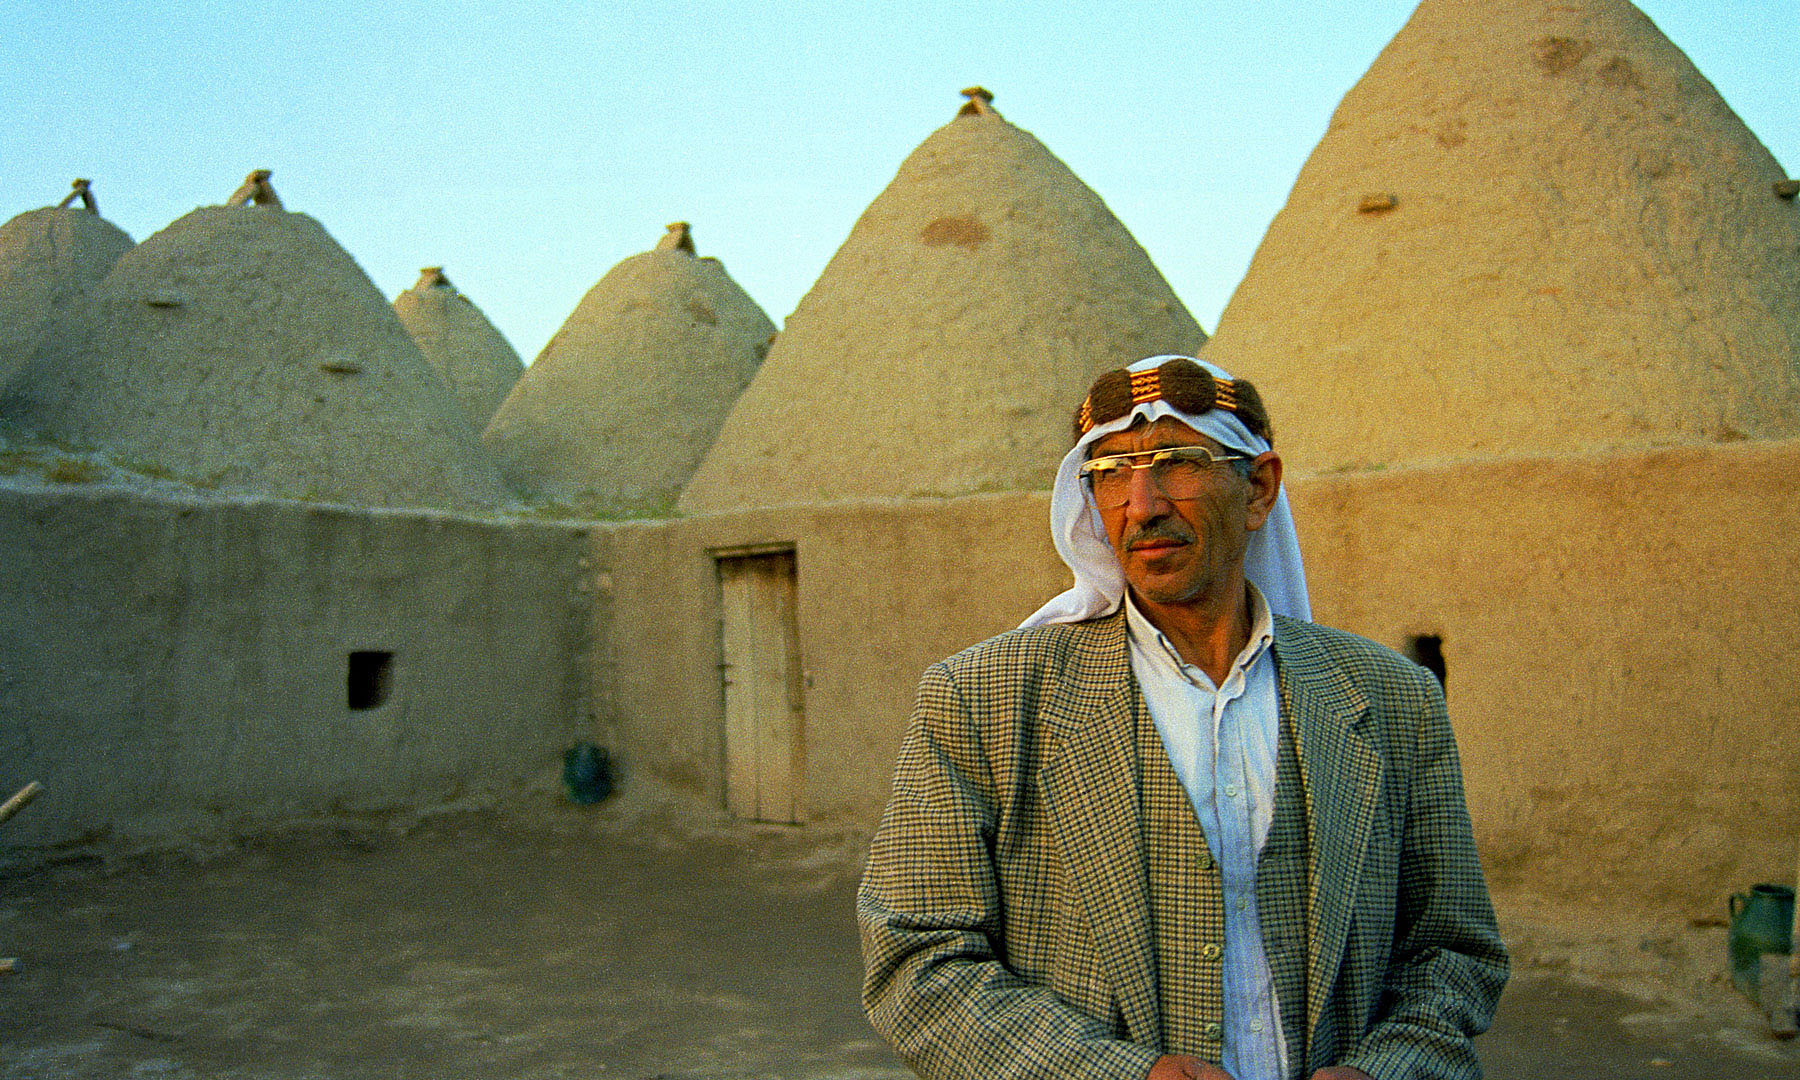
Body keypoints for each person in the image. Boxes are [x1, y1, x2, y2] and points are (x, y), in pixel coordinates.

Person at [858, 355, 1507, 1080]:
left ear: (1258, 488)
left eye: (1177, 462)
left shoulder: (1390, 699)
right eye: (1109, 472)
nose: (1143, 504)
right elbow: (917, 957)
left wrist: (1387, 1070)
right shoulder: (985, 699)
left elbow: (1452, 951)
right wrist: (1111, 1075)